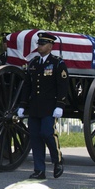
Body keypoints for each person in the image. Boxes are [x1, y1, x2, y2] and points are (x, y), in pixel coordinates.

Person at [17, 32, 68, 179]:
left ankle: (57, 160)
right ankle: (39, 169)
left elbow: (63, 86)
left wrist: (60, 105)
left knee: (47, 133)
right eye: (39, 43)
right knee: (35, 138)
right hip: (35, 107)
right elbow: (27, 86)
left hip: (50, 107)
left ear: (50, 46)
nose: (39, 46)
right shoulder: (33, 63)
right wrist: (22, 105)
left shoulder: (58, 63)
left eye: (43, 44)